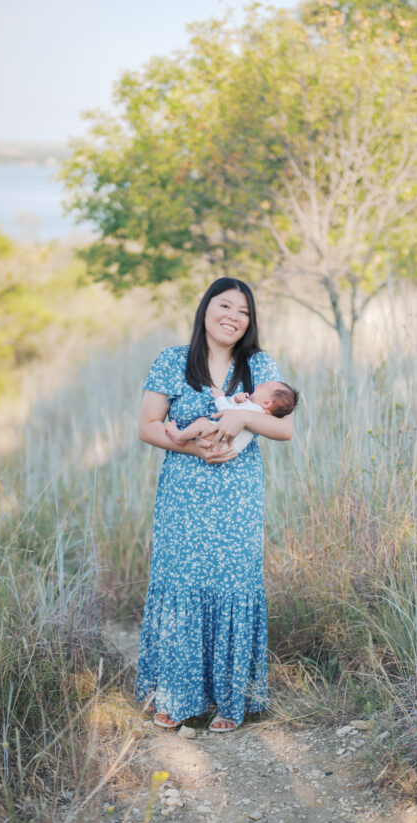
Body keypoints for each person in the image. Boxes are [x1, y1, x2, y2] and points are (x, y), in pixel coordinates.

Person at [136, 277, 294, 732]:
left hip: (237, 497)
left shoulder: (258, 364)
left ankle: (231, 700)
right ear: (206, 309)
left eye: (243, 311)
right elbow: (148, 426)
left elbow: (284, 429)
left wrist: (243, 415)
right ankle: (175, 695)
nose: (233, 317)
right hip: (183, 493)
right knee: (181, 579)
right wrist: (196, 449)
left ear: (250, 322)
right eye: (225, 306)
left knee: (232, 583)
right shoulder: (172, 361)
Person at [164, 380, 299, 453]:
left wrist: (220, 398)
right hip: (228, 445)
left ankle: (179, 437)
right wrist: (235, 399)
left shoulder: (255, 410)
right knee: (202, 423)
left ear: (267, 403)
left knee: (202, 423)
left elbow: (228, 412)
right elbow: (235, 410)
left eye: (262, 386)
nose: (258, 384)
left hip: (224, 442)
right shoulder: (255, 409)